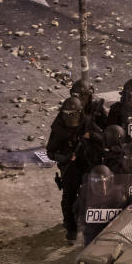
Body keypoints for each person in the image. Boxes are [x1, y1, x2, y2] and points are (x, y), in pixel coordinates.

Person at [47, 97, 93, 243]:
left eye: (74, 114)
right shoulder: (58, 128)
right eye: (69, 114)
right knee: (68, 197)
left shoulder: (87, 122)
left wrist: (91, 137)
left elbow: (100, 137)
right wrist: (66, 158)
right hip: (70, 166)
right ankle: (71, 228)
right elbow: (50, 152)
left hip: (87, 162)